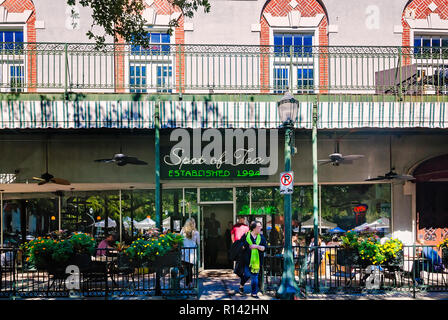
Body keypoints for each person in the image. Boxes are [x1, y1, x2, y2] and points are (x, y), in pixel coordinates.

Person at [239, 221, 267, 298]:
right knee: (247, 275)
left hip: (257, 261)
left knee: (255, 276)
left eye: (261, 226)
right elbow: (240, 246)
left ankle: (254, 293)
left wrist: (257, 246)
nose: (260, 228)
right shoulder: (246, 235)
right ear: (254, 228)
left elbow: (264, 248)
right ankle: (241, 285)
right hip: (247, 260)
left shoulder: (261, 237)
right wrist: (245, 246)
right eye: (259, 227)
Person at [180, 218, 200, 288]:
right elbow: (198, 243)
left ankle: (188, 282)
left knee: (186, 269)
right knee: (189, 269)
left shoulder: (183, 231)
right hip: (192, 253)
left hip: (184, 252)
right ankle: (189, 283)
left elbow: (180, 241)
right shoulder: (196, 232)